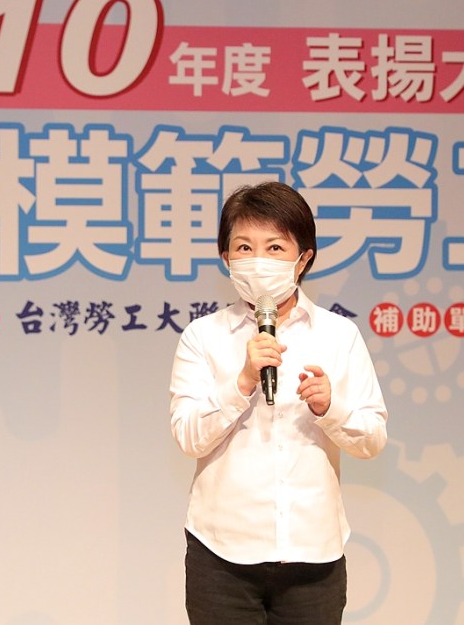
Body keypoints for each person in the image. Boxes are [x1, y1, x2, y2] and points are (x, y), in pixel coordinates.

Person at [169, 181, 388, 624]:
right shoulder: (202, 337)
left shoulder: (338, 335)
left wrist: (331, 409)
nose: (258, 260)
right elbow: (188, 437)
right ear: (226, 258)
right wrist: (242, 382)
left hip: (314, 553)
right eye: (244, 248)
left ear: (302, 258)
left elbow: (372, 440)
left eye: (274, 247)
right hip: (221, 554)